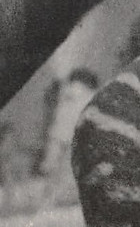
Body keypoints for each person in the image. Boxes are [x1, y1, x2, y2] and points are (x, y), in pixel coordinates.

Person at [40, 68, 100, 205]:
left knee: (56, 171)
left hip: (63, 135)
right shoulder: (90, 95)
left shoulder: (68, 93)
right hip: (74, 137)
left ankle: (52, 201)